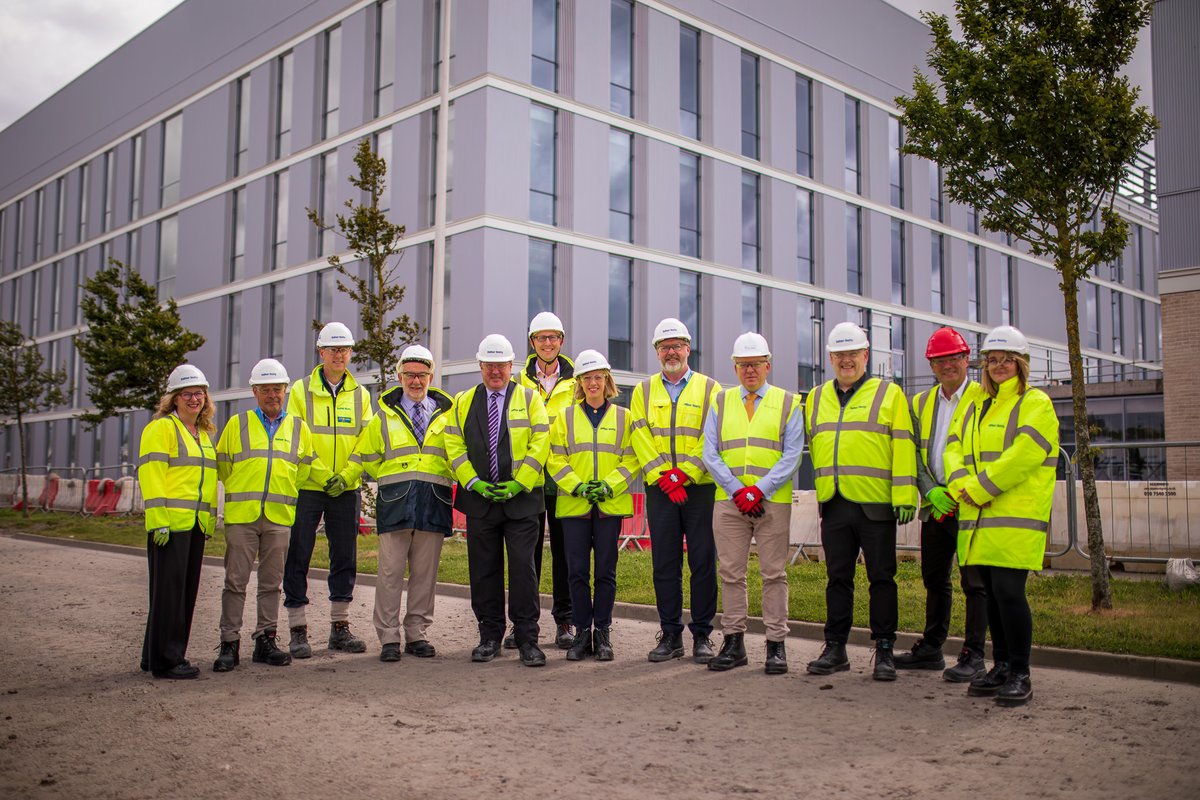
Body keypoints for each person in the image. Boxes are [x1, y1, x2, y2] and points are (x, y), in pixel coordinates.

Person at [944, 325, 1058, 707]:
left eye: (1007, 359)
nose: (999, 366)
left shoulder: (1035, 403)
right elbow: (954, 446)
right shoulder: (977, 404)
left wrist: (976, 489)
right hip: (979, 518)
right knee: (991, 595)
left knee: (1010, 593)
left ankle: (1021, 672)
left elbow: (1024, 456)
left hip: (1014, 516)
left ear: (1021, 363)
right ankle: (1002, 665)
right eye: (992, 360)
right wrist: (960, 483)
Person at [804, 321, 918, 681]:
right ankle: (835, 647)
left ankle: (884, 648)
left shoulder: (889, 394)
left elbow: (902, 444)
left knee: (882, 577)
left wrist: (903, 494)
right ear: (830, 359)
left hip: (876, 504)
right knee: (837, 578)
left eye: (853, 353)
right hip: (834, 502)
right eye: (839, 355)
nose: (846, 361)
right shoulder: (817, 396)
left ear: (866, 355)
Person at [339, 345, 455, 662]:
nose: (415, 381)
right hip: (396, 502)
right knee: (390, 572)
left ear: (431, 376)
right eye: (409, 375)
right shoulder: (382, 418)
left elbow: (456, 455)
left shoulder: (448, 416)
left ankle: (417, 634)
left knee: (424, 573)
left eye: (421, 375)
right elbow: (369, 458)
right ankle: (389, 637)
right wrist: (396, 478)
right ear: (399, 376)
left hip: (434, 500)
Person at [213, 358, 328, 672]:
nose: (272, 394)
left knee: (271, 583)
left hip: (279, 516)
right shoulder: (237, 425)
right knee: (235, 582)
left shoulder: (298, 428)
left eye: (277, 388)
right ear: (254, 391)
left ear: (285, 390)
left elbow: (303, 470)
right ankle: (229, 643)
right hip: (242, 517)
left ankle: (265, 639)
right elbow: (222, 467)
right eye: (265, 389)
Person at [443, 334, 551, 667]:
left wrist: (520, 484)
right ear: (480, 366)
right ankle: (489, 636)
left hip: (521, 502)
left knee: (523, 570)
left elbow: (540, 442)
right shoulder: (462, 401)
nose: (495, 372)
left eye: (501, 365)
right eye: (489, 365)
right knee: (483, 571)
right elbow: (453, 443)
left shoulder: (530, 398)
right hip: (481, 502)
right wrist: (473, 482)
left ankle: (526, 638)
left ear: (511, 366)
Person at [701, 333, 805, 674]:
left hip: (770, 501)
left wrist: (759, 489)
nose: (750, 370)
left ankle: (776, 645)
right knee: (731, 573)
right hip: (730, 502)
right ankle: (734, 642)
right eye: (744, 365)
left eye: (756, 364)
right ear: (735, 367)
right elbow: (710, 452)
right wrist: (736, 489)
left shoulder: (788, 402)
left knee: (773, 573)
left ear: (767, 366)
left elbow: (793, 455)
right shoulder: (721, 401)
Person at [895, 327, 989, 682]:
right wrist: (930, 490)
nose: (948, 365)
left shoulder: (983, 397)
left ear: (967, 360)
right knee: (934, 578)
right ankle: (933, 647)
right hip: (936, 504)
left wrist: (961, 491)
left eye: (955, 358)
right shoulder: (920, 403)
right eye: (940, 360)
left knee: (974, 582)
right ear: (931, 365)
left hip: (971, 504)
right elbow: (914, 453)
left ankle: (973, 653)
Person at [629, 318, 722, 664]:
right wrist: (662, 475)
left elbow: (711, 437)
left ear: (688, 348)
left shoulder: (710, 388)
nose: (671, 351)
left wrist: (684, 474)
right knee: (664, 563)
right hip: (660, 490)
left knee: (702, 561)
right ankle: (670, 634)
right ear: (656, 351)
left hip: (698, 489)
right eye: (664, 346)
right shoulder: (642, 391)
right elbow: (639, 435)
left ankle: (702, 635)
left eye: (677, 344)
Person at [282, 321, 375, 658]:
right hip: (309, 485)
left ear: (350, 353)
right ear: (320, 352)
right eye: (333, 348)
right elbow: (295, 438)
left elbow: (367, 440)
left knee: (344, 558)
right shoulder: (300, 390)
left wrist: (348, 473)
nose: (339, 354)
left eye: (344, 348)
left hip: (346, 488)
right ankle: (297, 629)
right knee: (298, 555)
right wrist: (323, 475)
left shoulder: (361, 394)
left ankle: (340, 627)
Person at [546, 350, 639, 662]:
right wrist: (578, 485)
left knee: (605, 573)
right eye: (587, 378)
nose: (593, 382)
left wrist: (609, 484)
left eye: (598, 377)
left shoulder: (624, 417)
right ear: (579, 383)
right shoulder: (565, 418)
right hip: (575, 506)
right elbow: (554, 457)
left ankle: (603, 633)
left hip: (609, 507)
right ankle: (582, 632)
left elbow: (632, 458)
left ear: (607, 380)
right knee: (576, 572)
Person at [137, 363, 218, 680]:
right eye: (187, 394)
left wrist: (208, 521)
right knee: (169, 594)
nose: (194, 399)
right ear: (174, 398)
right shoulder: (162, 428)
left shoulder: (203, 434)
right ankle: (168, 661)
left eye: (199, 393)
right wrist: (158, 521)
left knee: (181, 594)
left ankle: (153, 655)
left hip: (194, 525)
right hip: (170, 526)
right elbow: (151, 474)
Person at [514, 311, 576, 650]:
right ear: (532, 342)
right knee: (527, 555)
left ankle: (565, 620)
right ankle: (524, 623)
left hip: (564, 477)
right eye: (541, 338)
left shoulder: (578, 380)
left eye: (553, 337)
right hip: (530, 478)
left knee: (566, 553)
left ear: (561, 341)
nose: (547, 343)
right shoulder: (518, 381)